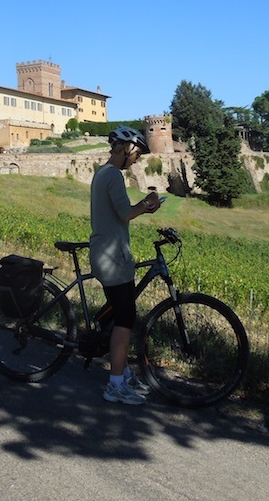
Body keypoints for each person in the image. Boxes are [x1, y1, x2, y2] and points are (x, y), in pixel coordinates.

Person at [89, 126, 160, 405]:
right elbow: (126, 213)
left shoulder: (102, 172)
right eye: (136, 154)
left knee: (120, 316)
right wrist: (148, 203)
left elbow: (119, 213)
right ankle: (115, 384)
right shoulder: (113, 175)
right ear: (125, 148)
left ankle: (125, 373)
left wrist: (145, 207)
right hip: (113, 258)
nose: (136, 160)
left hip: (108, 255)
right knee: (124, 321)